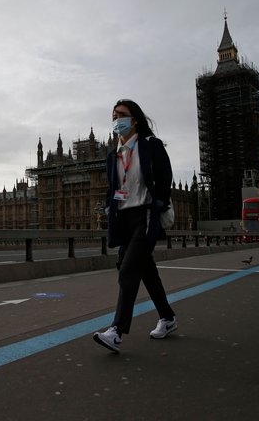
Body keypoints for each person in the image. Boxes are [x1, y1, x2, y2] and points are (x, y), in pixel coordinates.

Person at [93, 99, 177, 353]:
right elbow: (112, 188)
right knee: (145, 270)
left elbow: (165, 176)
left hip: (146, 215)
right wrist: (110, 209)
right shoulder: (113, 154)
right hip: (124, 217)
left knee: (128, 269)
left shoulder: (150, 145)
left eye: (122, 115)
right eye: (114, 115)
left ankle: (117, 331)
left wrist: (159, 203)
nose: (117, 119)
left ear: (135, 119)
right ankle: (168, 317)